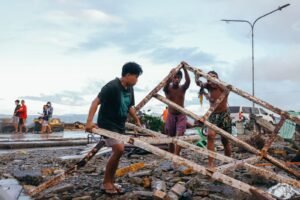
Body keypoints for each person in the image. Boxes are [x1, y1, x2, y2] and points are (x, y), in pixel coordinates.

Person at [85, 62, 143, 195]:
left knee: (118, 153)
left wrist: (137, 120)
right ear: (128, 75)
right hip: (107, 124)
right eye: (136, 76)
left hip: (119, 126)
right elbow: (95, 102)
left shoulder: (129, 88)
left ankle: (110, 181)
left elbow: (129, 107)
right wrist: (89, 122)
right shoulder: (111, 86)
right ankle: (106, 183)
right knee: (119, 149)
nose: (137, 80)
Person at [196, 71, 231, 168]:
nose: (211, 81)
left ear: (218, 78)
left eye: (214, 78)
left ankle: (228, 161)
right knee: (210, 136)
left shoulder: (223, 86)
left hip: (224, 115)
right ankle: (211, 163)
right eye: (209, 79)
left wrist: (216, 81)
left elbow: (228, 90)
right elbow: (198, 83)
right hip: (213, 114)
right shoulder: (209, 86)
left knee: (225, 140)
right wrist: (197, 76)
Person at [163, 63, 190, 155]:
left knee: (180, 137)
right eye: (175, 77)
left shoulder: (182, 88)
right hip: (171, 116)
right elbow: (165, 85)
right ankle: (171, 157)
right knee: (171, 138)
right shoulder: (167, 89)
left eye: (178, 78)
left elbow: (188, 81)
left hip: (181, 116)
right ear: (172, 78)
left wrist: (185, 69)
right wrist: (170, 75)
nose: (176, 79)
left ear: (180, 79)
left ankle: (176, 156)